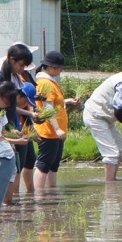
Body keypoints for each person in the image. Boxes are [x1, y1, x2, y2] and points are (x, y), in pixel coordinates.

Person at [0, 44, 39, 198]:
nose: (23, 69)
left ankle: (13, 200)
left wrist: (28, 115)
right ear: (11, 59)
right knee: (9, 167)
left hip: (14, 125)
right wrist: (6, 130)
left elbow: (12, 107)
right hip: (3, 127)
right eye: (21, 65)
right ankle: (7, 203)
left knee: (17, 166)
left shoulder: (15, 77)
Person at [32, 50, 77, 191]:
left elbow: (54, 103)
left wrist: (67, 101)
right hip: (49, 131)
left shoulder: (50, 82)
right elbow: (48, 108)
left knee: (54, 165)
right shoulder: (46, 83)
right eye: (59, 68)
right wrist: (57, 129)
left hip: (55, 132)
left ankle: (52, 191)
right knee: (44, 164)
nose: (60, 71)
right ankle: (39, 195)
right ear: (51, 67)